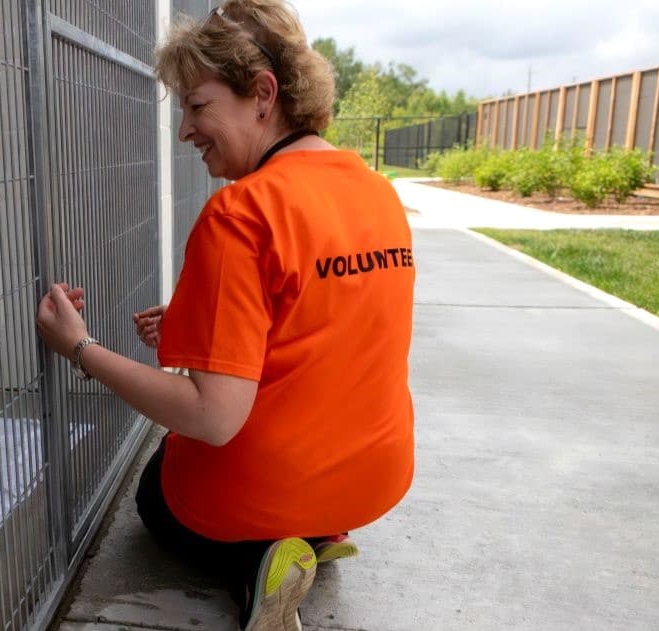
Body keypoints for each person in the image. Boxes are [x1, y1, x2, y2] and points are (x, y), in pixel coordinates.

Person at [35, 1, 416, 628]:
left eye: (197, 105)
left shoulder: (241, 212)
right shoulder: (377, 192)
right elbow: (321, 321)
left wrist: (80, 348)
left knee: (159, 489)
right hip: (376, 480)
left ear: (263, 95)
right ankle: (317, 534)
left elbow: (212, 418)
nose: (185, 130)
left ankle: (256, 565)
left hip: (274, 485)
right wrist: (194, 319)